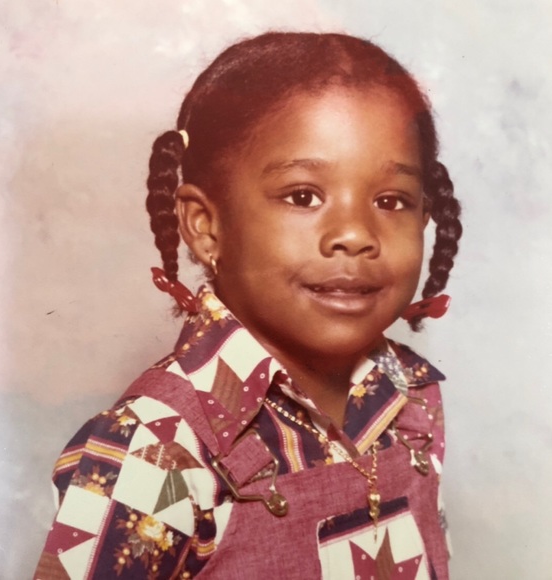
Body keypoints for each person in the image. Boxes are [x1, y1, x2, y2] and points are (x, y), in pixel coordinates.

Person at [34, 31, 462, 579]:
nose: (355, 234)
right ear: (205, 227)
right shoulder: (155, 450)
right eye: (303, 196)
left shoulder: (413, 396)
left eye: (390, 200)